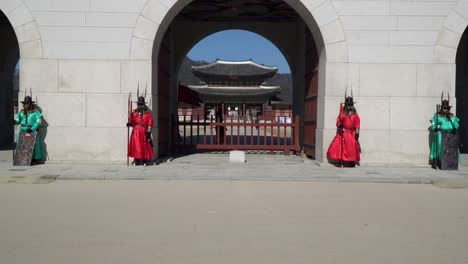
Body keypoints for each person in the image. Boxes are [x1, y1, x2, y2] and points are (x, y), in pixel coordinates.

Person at [326, 96, 361, 167]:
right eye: (348, 104)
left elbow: (357, 123)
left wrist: (357, 132)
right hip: (344, 132)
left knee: (352, 147)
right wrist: (340, 124)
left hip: (351, 133)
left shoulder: (355, 114)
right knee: (341, 146)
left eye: (351, 104)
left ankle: (352, 161)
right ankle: (341, 161)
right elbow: (338, 121)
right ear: (346, 105)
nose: (349, 106)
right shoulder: (343, 113)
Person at [430, 96, 460, 170]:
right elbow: (433, 124)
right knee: (440, 145)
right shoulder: (437, 116)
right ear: (442, 108)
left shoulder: (452, 116)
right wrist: (435, 128)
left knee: (452, 146)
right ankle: (439, 161)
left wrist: (455, 127)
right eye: (444, 108)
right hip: (441, 133)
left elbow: (456, 124)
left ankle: (451, 162)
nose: (446, 110)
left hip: (451, 134)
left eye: (447, 108)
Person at [14, 95, 44, 164]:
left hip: (31, 130)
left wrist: (32, 129)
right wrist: (14, 122)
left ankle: (33, 159)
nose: (25, 105)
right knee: (22, 145)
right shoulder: (21, 113)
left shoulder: (35, 112)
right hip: (23, 129)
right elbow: (18, 121)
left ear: (30, 104)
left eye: (27, 103)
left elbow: (38, 121)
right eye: (24, 103)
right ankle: (22, 159)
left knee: (32, 145)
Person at [127, 96, 154, 165]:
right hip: (136, 131)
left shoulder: (148, 114)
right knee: (136, 145)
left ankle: (144, 160)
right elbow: (132, 122)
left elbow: (150, 123)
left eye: (141, 104)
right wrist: (129, 123)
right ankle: (136, 160)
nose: (140, 106)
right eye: (139, 104)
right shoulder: (134, 113)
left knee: (144, 145)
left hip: (143, 131)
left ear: (143, 105)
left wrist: (149, 131)